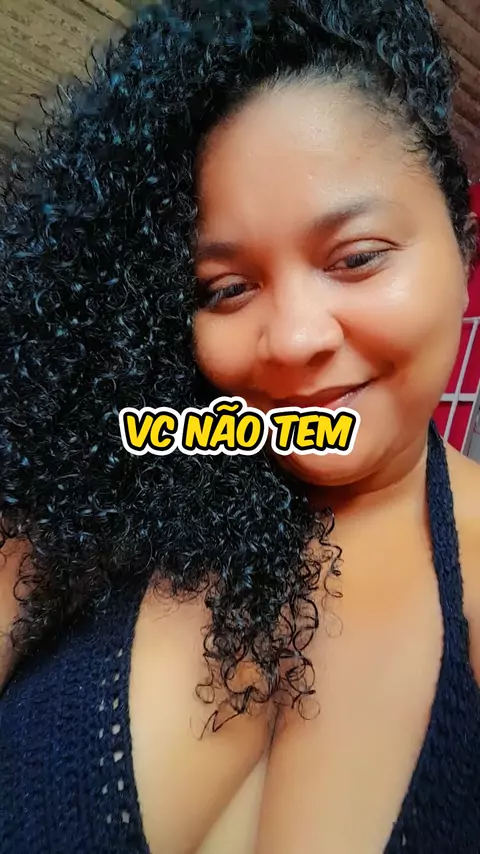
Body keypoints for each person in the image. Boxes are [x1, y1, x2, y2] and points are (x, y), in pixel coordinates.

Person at [1, 0, 479, 852]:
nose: (293, 340)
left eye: (355, 258)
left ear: (460, 244)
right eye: (226, 289)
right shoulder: (88, 493)